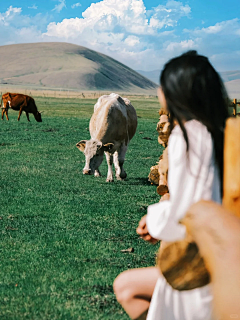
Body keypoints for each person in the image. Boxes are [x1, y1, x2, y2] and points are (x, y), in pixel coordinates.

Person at [113, 50, 229, 320]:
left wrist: (154, 221)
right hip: (223, 253)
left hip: (198, 263)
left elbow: (192, 205)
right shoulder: (221, 132)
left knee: (127, 289)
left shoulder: (189, 137)